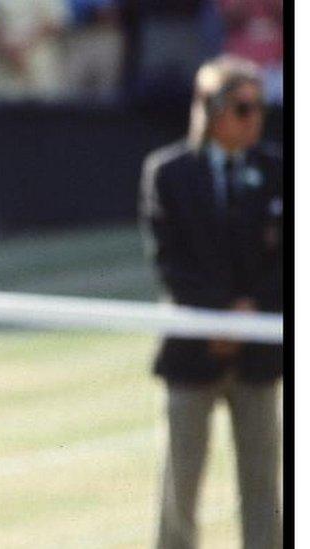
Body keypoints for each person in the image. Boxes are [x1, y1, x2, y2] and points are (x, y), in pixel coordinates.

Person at [139, 55, 282, 549]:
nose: (255, 118)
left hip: (261, 352)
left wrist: (250, 315)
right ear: (211, 109)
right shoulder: (167, 173)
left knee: (265, 488)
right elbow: (169, 263)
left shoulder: (278, 169)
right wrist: (220, 317)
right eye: (243, 107)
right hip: (191, 350)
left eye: (259, 106)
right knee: (180, 487)